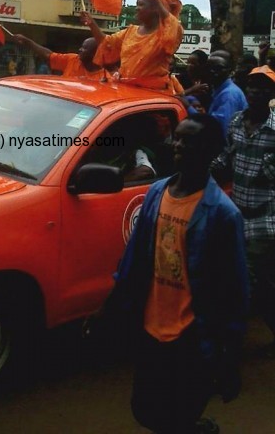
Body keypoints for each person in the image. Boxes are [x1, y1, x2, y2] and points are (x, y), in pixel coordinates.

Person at [86, 114, 248, 434]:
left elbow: (234, 291)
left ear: (210, 149)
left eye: (190, 141)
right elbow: (133, 261)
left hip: (190, 335)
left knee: (175, 416)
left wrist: (228, 358)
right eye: (178, 138)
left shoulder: (222, 214)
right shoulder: (158, 193)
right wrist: (108, 308)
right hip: (151, 325)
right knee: (145, 409)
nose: (179, 145)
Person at [211, 64, 275, 350]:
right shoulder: (237, 121)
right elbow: (226, 158)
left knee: (249, 284)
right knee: (254, 285)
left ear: (271, 93)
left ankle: (228, 349)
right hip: (237, 215)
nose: (255, 91)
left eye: (262, 87)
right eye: (251, 86)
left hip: (265, 219)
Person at [80, 0, 183, 90]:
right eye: (137, 4)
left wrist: (156, 1)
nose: (137, 8)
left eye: (141, 5)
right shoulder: (130, 31)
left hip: (153, 94)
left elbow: (173, 27)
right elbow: (107, 43)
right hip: (126, 91)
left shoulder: (167, 33)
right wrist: (92, 24)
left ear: (155, 9)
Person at [13, 34, 106, 80]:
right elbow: (48, 55)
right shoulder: (73, 59)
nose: (80, 50)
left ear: (95, 53)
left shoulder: (104, 79)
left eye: (84, 48)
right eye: (81, 47)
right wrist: (27, 42)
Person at [204, 50, 248, 136]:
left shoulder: (229, 94)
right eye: (208, 67)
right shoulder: (217, 90)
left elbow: (222, 129)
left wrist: (189, 107)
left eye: (218, 68)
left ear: (229, 70)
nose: (212, 71)